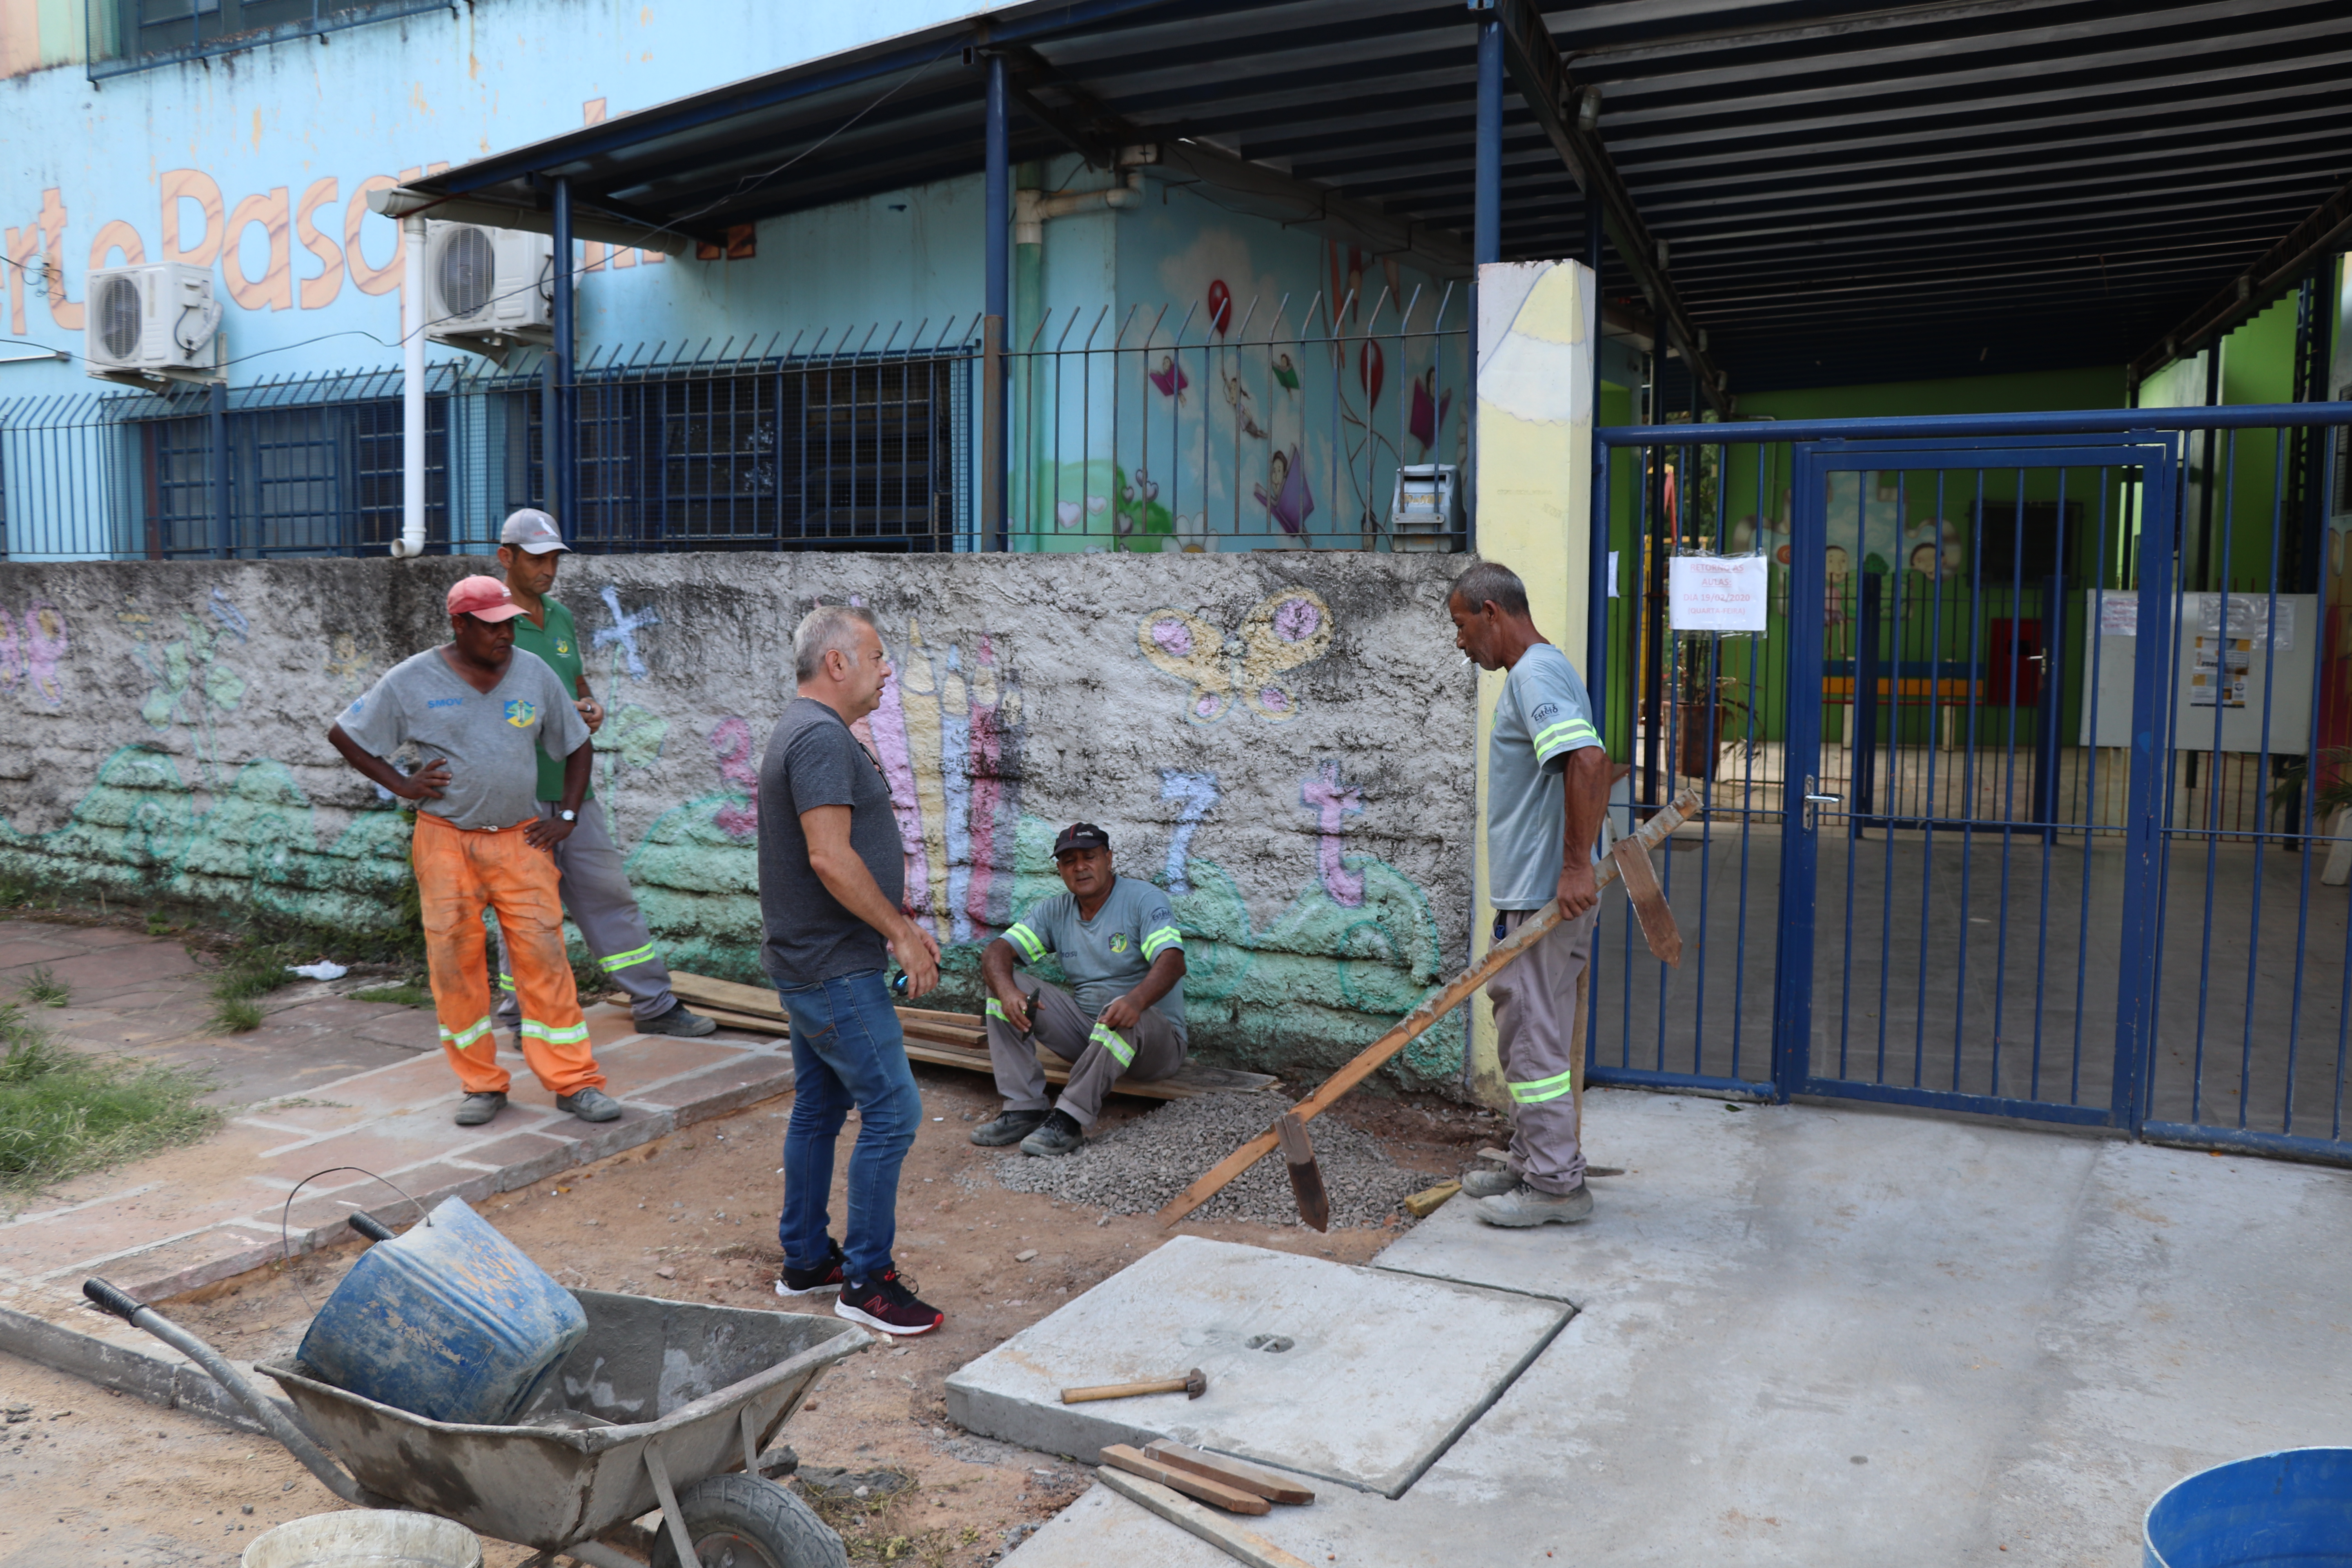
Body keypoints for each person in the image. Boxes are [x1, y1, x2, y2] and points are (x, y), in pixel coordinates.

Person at [328, 575, 622, 1127]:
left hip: (521, 839)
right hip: (445, 843)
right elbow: (346, 734)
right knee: (454, 965)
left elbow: (578, 745)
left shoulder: (534, 674)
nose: (505, 635)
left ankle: (573, 1082)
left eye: (509, 623)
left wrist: (566, 816)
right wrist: (402, 784)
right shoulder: (411, 680)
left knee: (546, 961)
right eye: (492, 626)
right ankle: (481, 1084)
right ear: (459, 624)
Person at [760, 604, 946, 1336]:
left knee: (819, 1108)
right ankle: (868, 1281)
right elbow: (830, 856)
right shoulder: (818, 737)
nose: (886, 669)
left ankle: (807, 1260)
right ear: (836, 663)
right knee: (894, 1110)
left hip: (814, 959)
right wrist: (900, 934)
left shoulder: (806, 730)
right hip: (834, 969)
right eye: (874, 656)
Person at [489, 509, 715, 1044]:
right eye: (537, 559)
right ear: (507, 557)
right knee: (526, 911)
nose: (548, 569)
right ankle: (523, 1017)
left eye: (554, 560)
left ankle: (654, 1003)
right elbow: (483, 706)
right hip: (516, 796)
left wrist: (587, 706)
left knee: (608, 895)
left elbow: (576, 682)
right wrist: (557, 711)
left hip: (571, 790)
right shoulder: (489, 622)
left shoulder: (559, 617)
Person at [1446, 560, 1609, 1226]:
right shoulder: (1543, 671)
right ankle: (1533, 1159)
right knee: (1530, 1036)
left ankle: (1553, 1187)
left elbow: (1590, 760)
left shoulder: (1536, 673)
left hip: (1544, 896)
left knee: (1534, 1040)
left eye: (1461, 626)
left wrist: (1574, 867)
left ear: (1491, 612)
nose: (1460, 642)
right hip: (1544, 891)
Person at [971, 824, 1187, 1156]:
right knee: (1004, 988)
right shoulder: (1054, 911)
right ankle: (1024, 1108)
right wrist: (1006, 990)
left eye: (1090, 857)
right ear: (1060, 870)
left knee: (1120, 1010)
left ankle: (1069, 1120)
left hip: (1154, 1046)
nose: (1080, 867)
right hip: (1090, 1038)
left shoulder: (1143, 898)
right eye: (1069, 861)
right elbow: (995, 952)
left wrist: (1135, 1000)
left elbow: (1173, 962)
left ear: (1109, 859)